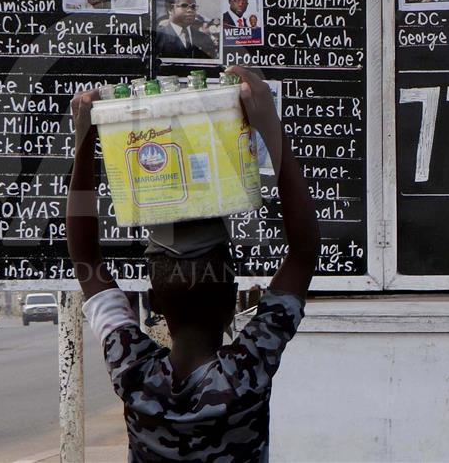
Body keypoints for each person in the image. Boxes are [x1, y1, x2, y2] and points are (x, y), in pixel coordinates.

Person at [66, 65, 321, 461]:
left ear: (152, 302)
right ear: (233, 298)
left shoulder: (135, 376)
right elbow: (303, 253)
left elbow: (84, 258)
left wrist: (85, 142)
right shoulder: (245, 374)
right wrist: (269, 124)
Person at [155, 0, 219, 60]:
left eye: (193, 6)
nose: (190, 10)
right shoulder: (157, 38)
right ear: (170, 9)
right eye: (184, 6)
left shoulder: (204, 38)